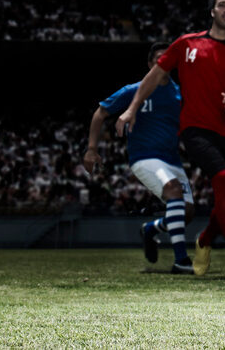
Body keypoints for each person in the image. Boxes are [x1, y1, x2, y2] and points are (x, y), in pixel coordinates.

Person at [117, 0, 225, 278]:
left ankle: (204, 240)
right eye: (221, 4)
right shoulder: (187, 44)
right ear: (212, 11)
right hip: (196, 131)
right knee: (223, 180)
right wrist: (132, 108)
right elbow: (153, 76)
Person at [84, 42, 195, 274]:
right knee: (173, 191)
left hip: (172, 159)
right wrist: (92, 149)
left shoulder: (180, 93)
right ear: (149, 64)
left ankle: (151, 229)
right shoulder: (134, 90)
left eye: (165, 59)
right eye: (157, 59)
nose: (161, 63)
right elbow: (100, 113)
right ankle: (181, 261)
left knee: (187, 212)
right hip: (144, 157)